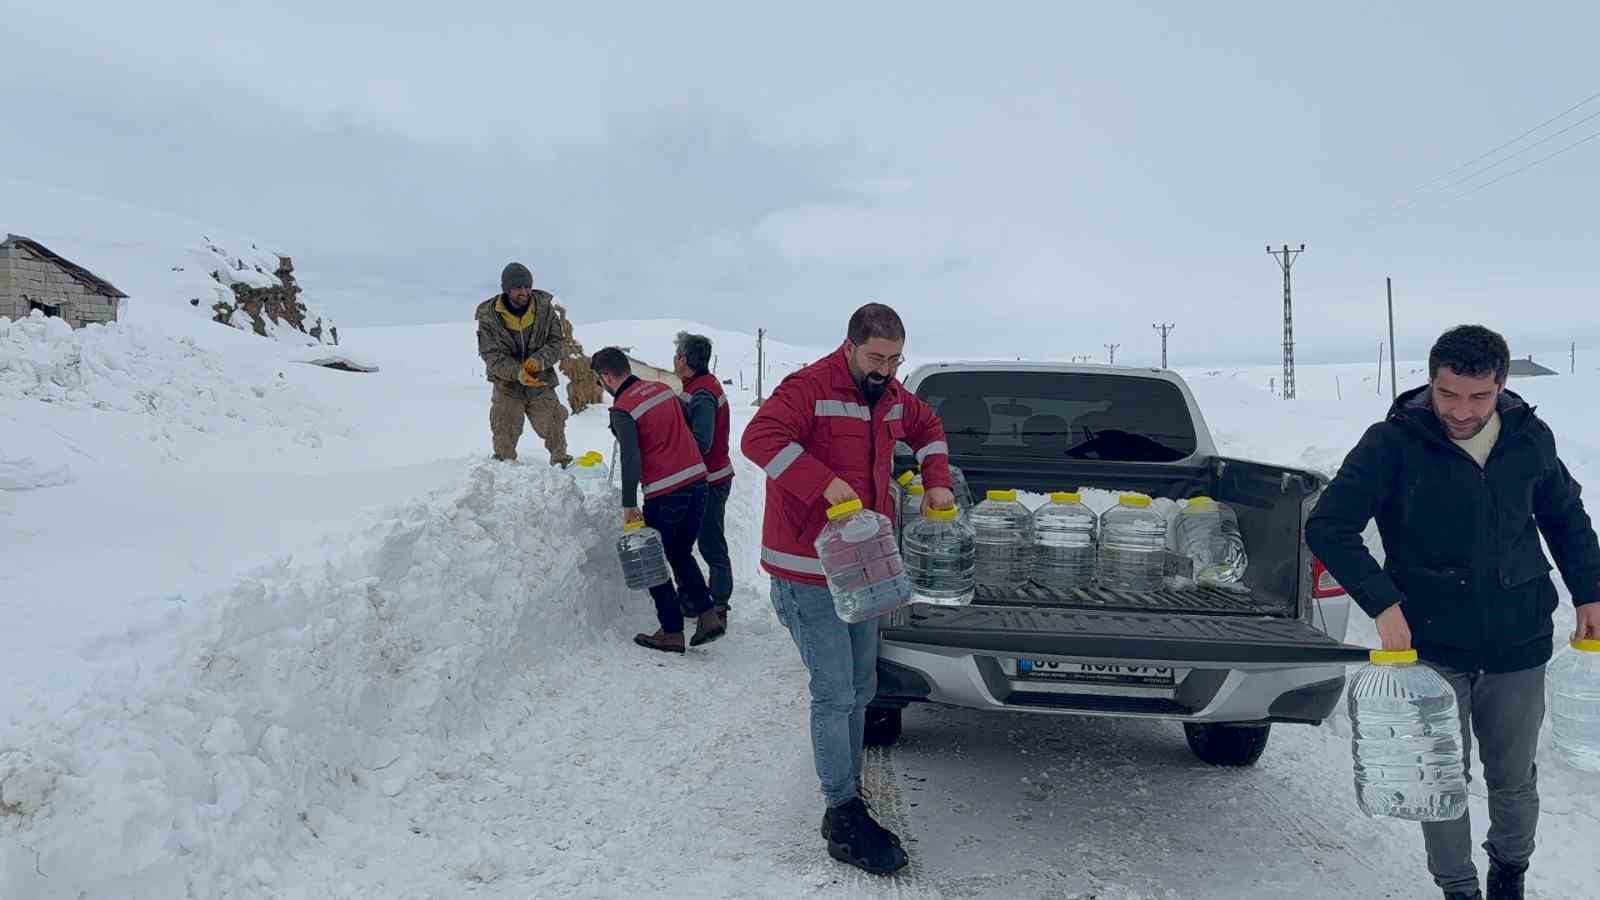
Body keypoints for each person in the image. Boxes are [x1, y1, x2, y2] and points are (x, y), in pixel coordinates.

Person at [1307, 324, 1600, 900]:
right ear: (1430, 382)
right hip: (1429, 642)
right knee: (1439, 777)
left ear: (1501, 386)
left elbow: (1564, 516)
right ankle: (1458, 888)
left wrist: (1590, 590)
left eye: (1478, 397)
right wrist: (1383, 603)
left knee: (1514, 779)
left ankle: (1509, 872)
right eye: (1449, 394)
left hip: (1518, 636)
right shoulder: (1392, 442)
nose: (1461, 411)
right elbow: (1329, 525)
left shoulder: (1528, 437)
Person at [740, 303, 956, 876]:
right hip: (807, 569)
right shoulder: (809, 387)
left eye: (895, 359)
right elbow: (758, 438)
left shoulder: (890, 395)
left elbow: (928, 428)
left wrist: (935, 481)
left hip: (863, 566)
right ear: (851, 346)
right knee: (835, 693)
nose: (886, 368)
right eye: (876, 357)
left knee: (862, 686)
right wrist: (822, 481)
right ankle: (841, 813)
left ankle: (849, 784)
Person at [591, 346, 726, 653]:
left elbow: (631, 456)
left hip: (667, 492)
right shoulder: (664, 390)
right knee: (679, 553)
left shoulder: (623, 408)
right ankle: (707, 616)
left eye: (601, 380)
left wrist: (629, 503)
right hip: (698, 482)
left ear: (607, 376)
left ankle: (671, 630)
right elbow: (690, 421)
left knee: (652, 560)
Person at [475, 262, 573, 466]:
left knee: (554, 421)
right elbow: (491, 355)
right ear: (507, 289)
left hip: (540, 381)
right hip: (507, 385)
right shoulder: (489, 317)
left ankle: (562, 464)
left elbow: (557, 343)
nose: (524, 291)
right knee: (504, 426)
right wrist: (518, 372)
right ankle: (504, 470)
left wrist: (538, 361)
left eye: (527, 286)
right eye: (518, 287)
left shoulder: (545, 309)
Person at [673, 331, 735, 624]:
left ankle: (719, 604)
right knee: (691, 539)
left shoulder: (702, 393)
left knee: (710, 542)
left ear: (684, 359)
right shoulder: (696, 386)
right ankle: (691, 598)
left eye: (676, 354)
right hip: (702, 479)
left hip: (710, 481)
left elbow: (702, 442)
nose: (674, 359)